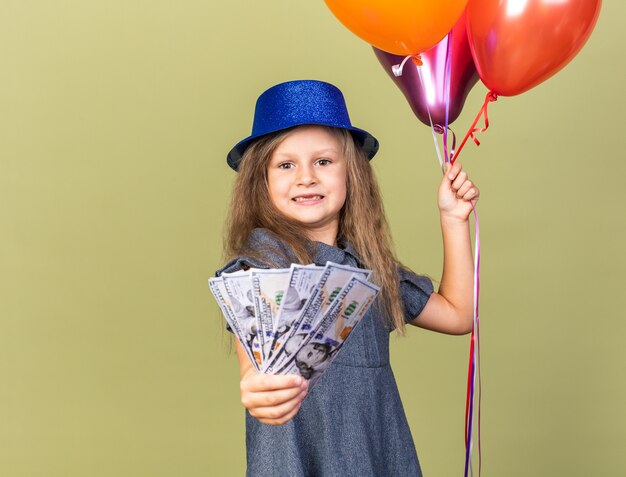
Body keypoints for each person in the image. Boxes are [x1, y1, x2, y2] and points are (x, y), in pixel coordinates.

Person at [215, 80, 478, 476]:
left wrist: (453, 219)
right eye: (286, 165)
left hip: (377, 460)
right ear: (262, 180)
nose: (306, 177)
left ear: (351, 172)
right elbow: (255, 369)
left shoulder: (369, 267)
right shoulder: (262, 265)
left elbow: (459, 315)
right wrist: (258, 389)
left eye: (323, 161)